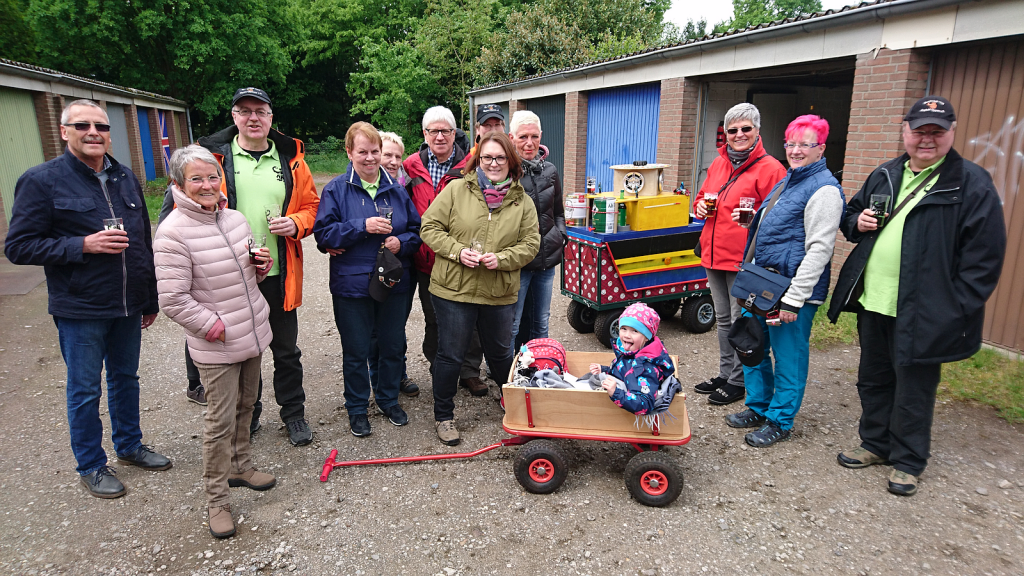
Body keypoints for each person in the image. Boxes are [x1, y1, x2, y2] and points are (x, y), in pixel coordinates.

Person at [829, 96, 1006, 496]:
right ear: (905, 131)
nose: (927, 138)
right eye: (920, 130)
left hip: (927, 310)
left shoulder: (970, 183)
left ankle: (908, 460)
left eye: (937, 131)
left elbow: (985, 257)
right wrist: (857, 221)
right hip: (876, 299)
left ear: (951, 133)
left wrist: (955, 308)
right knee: (873, 378)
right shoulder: (886, 173)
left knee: (915, 386)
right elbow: (850, 215)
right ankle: (875, 443)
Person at [4, 99, 171, 498]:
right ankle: (91, 465)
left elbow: (141, 244)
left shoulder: (124, 177)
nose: (93, 132)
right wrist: (83, 244)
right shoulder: (42, 180)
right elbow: (19, 247)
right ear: (64, 132)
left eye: (100, 126)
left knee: (125, 378)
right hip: (81, 307)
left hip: (127, 303)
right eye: (82, 126)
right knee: (84, 389)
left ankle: (129, 446)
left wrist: (149, 299)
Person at [162, 87, 320, 446]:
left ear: (270, 118)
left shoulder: (289, 156)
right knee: (244, 353)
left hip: (279, 273)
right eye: (244, 110)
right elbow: (181, 207)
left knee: (286, 350)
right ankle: (249, 416)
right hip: (229, 279)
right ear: (234, 116)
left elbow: (312, 206)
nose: (252, 117)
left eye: (260, 111)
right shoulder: (211, 157)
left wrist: (296, 223)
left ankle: (293, 414)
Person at [155, 146, 276, 538]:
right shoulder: (173, 232)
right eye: (197, 179)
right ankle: (217, 500)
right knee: (218, 421)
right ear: (178, 185)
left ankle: (241, 466)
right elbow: (173, 299)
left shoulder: (236, 219)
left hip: (252, 331)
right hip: (218, 342)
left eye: (212, 177)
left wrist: (261, 268)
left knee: (248, 404)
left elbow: (245, 277)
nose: (207, 185)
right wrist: (213, 326)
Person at [724, 115, 846, 448]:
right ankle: (758, 406)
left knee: (788, 357)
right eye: (791, 143)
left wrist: (795, 298)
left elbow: (820, 248)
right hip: (763, 285)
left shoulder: (824, 190)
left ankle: (780, 420)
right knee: (753, 346)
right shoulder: (788, 180)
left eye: (804, 145)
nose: (794, 150)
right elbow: (779, 229)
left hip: (790, 291)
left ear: (820, 148)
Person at [420, 131, 540, 446]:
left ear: (511, 162)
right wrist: (457, 251)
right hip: (453, 289)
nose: (493, 163)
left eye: (500, 157)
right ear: (478, 160)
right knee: (451, 353)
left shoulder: (522, 201)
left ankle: (511, 402)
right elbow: (429, 227)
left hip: (498, 290)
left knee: (501, 353)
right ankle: (444, 415)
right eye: (487, 157)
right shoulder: (456, 190)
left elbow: (530, 245)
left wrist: (501, 259)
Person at [314, 122, 422, 438]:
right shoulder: (336, 189)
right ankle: (358, 409)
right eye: (363, 151)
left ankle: (388, 400)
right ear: (349, 152)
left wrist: (401, 243)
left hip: (393, 282)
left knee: (390, 345)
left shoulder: (397, 190)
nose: (371, 158)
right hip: (352, 284)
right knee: (356, 350)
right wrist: (362, 226)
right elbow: (323, 235)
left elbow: (416, 232)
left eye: (375, 151)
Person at [692, 103, 786, 406]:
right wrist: (699, 208)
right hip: (713, 253)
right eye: (733, 130)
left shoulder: (771, 169)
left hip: (744, 260)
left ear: (757, 131)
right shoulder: (718, 164)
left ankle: (739, 381)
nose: (739, 134)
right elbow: (699, 200)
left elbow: (779, 217)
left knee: (739, 320)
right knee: (722, 320)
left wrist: (753, 220)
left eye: (746, 128)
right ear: (726, 134)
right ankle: (726, 373)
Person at [403, 106, 489, 398]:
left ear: (455, 133)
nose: (439, 136)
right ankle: (440, 368)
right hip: (424, 259)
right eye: (433, 131)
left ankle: (470, 371)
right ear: (424, 134)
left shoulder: (471, 165)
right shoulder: (410, 165)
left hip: (463, 256)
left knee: (471, 317)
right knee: (434, 319)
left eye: (445, 131)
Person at [508, 110, 566, 353]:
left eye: (534, 136)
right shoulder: (504, 172)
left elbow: (559, 211)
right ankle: (505, 374)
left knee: (540, 322)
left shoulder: (550, 171)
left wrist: (560, 236)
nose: (529, 143)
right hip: (518, 263)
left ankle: (539, 368)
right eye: (523, 137)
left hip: (546, 260)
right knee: (511, 324)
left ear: (541, 136)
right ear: (511, 138)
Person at [588, 303, 674, 415]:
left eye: (635, 331)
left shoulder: (645, 368)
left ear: (647, 337)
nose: (627, 335)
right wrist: (605, 370)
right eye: (623, 328)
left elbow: (644, 403)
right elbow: (623, 370)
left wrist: (616, 393)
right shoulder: (631, 352)